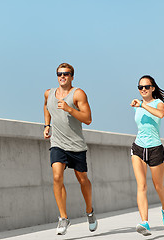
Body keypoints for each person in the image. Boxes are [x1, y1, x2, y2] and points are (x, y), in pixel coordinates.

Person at [43, 63, 97, 235]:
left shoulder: (78, 94)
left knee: (83, 180)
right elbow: (46, 105)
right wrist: (47, 124)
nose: (62, 76)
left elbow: (88, 119)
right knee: (57, 176)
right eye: (59, 74)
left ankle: (89, 211)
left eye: (66, 74)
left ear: (72, 76)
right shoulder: (49, 93)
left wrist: (69, 109)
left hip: (76, 145)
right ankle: (63, 218)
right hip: (57, 143)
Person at [130, 75, 164, 236]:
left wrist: (141, 105)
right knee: (141, 186)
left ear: (153, 88)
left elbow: (160, 114)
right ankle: (145, 223)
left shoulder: (158, 103)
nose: (143, 89)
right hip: (138, 147)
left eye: (146, 86)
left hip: (155, 149)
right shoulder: (137, 105)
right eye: (140, 87)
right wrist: (139, 105)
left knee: (158, 186)